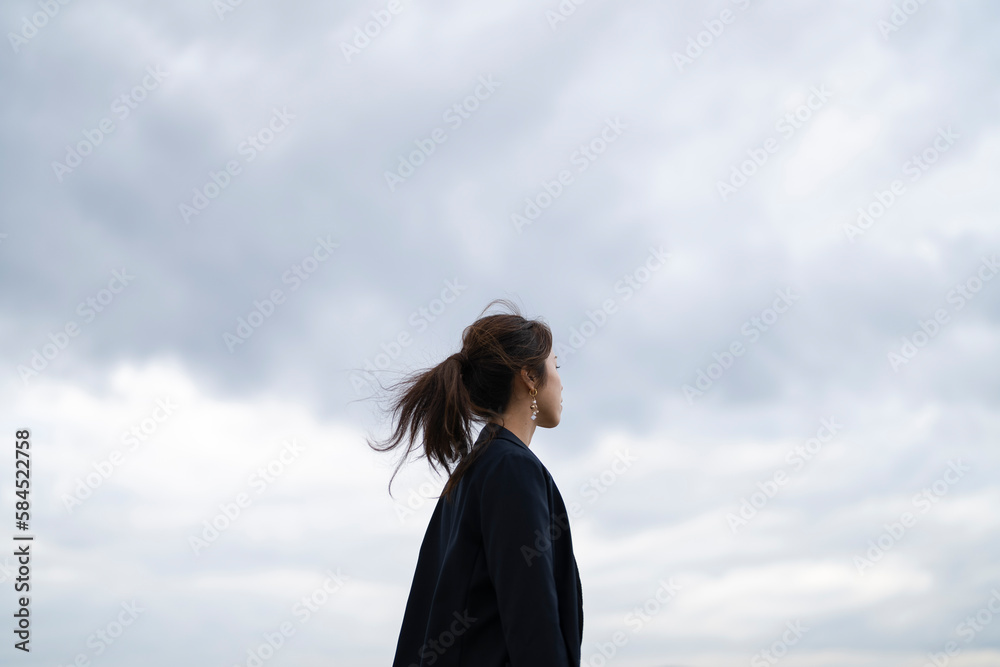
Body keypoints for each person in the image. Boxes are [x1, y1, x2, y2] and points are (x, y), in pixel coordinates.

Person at [367, 298, 583, 666]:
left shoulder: (474, 472)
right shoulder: (511, 469)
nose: (561, 382)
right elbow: (533, 619)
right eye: (555, 366)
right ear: (529, 377)